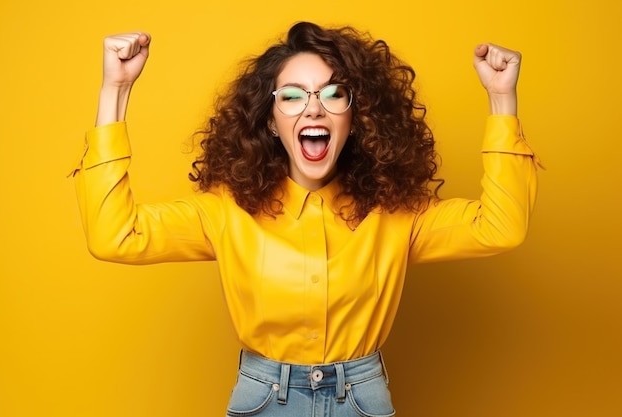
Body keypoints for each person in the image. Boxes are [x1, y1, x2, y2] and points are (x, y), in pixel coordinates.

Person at [72, 21, 540, 417]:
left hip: (361, 399)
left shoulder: (397, 215)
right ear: (271, 121)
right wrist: (115, 90)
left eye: (334, 93)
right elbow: (116, 236)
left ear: (355, 118)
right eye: (292, 96)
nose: (314, 107)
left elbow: (500, 225)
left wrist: (503, 99)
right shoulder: (224, 210)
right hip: (263, 399)